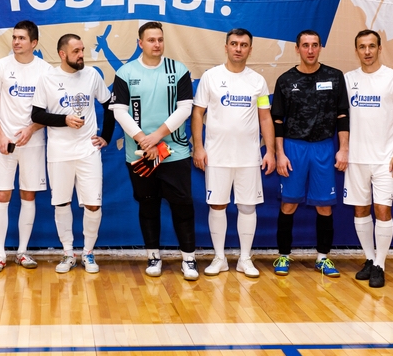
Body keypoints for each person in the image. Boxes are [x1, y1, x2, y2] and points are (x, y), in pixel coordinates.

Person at [110, 22, 199, 280]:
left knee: (182, 205)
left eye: (160, 39)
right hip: (140, 155)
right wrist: (142, 140)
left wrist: (156, 137)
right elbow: (119, 111)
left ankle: (189, 259)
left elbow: (185, 108)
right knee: (148, 204)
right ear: (140, 43)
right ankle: (153, 256)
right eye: (151, 40)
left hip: (175, 152)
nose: (156, 44)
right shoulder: (126, 72)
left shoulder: (178, 70)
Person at [191, 28, 276, 279]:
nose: (238, 48)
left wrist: (270, 151)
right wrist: (199, 147)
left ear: (250, 49)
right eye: (234, 44)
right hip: (216, 156)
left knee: (247, 207)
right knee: (217, 205)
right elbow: (198, 113)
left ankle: (245, 259)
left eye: (244, 45)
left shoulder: (258, 81)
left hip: (248, 157)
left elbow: (265, 117)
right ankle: (219, 258)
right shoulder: (211, 77)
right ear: (226, 46)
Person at [32, 33, 114, 274]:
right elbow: (36, 115)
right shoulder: (47, 78)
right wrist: (64, 120)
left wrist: (106, 137)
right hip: (59, 152)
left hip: (88, 150)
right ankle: (68, 253)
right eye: (76, 51)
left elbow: (109, 105)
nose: (81, 55)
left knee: (93, 204)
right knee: (61, 203)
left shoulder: (92, 75)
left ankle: (88, 252)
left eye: (82, 50)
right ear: (62, 54)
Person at [271, 30, 349, 277]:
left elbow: (342, 115)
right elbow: (277, 120)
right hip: (293, 148)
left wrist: (343, 149)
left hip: (324, 147)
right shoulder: (285, 80)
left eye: (315, 45)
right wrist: (280, 154)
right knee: (289, 203)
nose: (310, 50)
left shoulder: (334, 77)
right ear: (297, 49)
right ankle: (283, 256)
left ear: (320, 47)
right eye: (305, 45)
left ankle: (323, 258)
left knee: (324, 206)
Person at [344, 30, 393, 288]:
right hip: (356, 159)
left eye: (372, 46)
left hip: (386, 159)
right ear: (356, 51)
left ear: (380, 48)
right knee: (360, 210)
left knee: (382, 210)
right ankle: (370, 259)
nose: (367, 51)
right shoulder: (348, 80)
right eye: (362, 47)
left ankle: (380, 265)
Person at [0, 21, 51, 273]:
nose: (16, 42)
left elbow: (50, 111)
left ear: (34, 43)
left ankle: (22, 252)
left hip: (33, 143)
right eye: (14, 37)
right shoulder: (1, 66)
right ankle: (0, 254)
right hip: (4, 144)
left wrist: (31, 129)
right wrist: (1, 135)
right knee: (2, 195)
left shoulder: (45, 70)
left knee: (28, 195)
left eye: (22, 38)